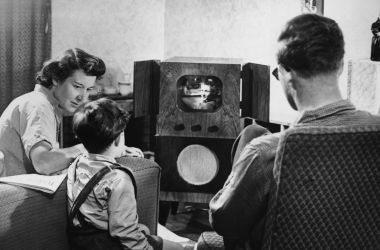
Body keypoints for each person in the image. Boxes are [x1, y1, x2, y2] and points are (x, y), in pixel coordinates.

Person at [209, 13, 380, 250]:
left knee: (251, 134)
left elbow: (225, 224)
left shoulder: (266, 152)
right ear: (340, 66)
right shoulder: (376, 129)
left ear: (287, 74)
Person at [0, 48, 143, 177]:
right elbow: (44, 163)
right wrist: (91, 147)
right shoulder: (39, 105)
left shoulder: (44, 103)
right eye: (77, 86)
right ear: (56, 79)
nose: (83, 97)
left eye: (88, 89)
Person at [67, 98, 184, 250]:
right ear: (118, 139)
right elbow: (124, 232)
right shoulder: (118, 179)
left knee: (151, 234)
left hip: (82, 241)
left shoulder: (76, 164)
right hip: (111, 244)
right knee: (178, 248)